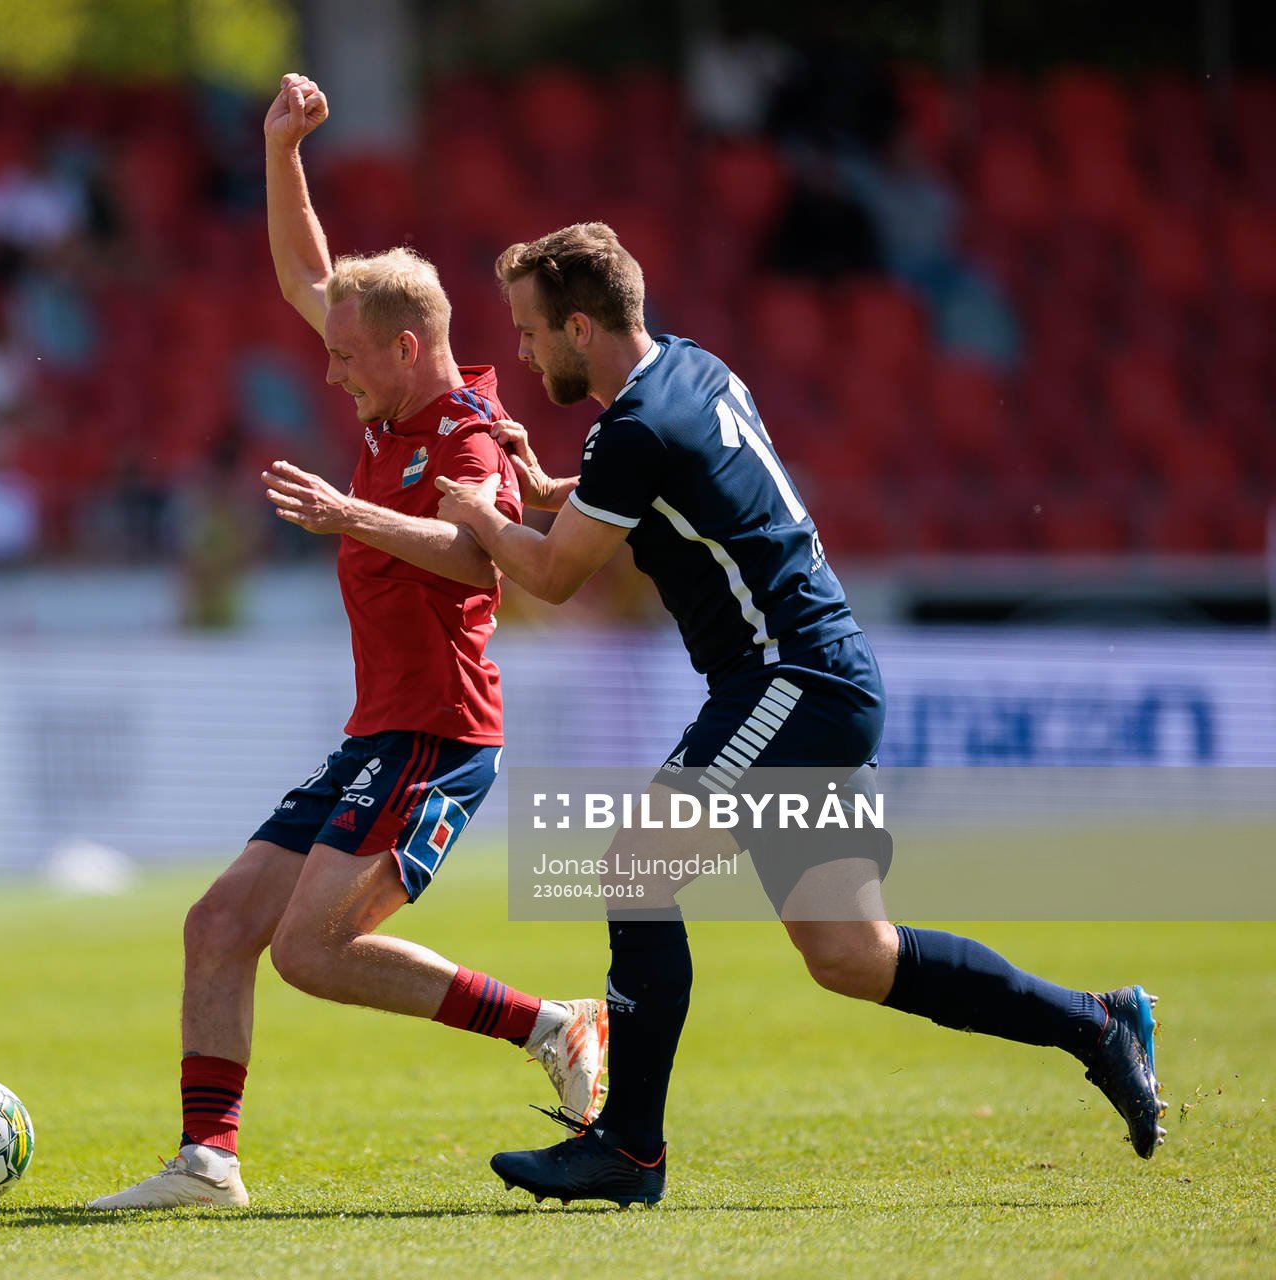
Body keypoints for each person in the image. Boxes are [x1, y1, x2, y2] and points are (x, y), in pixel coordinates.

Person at [431, 221, 1164, 1208]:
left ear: (576, 325)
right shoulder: (694, 369)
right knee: (852, 954)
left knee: (634, 865)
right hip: (829, 676)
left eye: (528, 332)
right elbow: (670, 494)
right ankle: (1100, 1022)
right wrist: (555, 488)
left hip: (788, 683)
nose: (521, 351)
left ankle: (628, 1147)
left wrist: (480, 515)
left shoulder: (634, 427)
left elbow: (557, 576)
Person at [85, 78, 608, 1212]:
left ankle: (559, 1025)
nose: (332, 371)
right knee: (218, 923)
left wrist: (354, 514)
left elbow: (486, 558)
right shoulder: (388, 408)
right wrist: (282, 153)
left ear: (410, 345)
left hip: (437, 730)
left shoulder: (463, 435)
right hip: (379, 729)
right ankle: (207, 1160)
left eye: (349, 357)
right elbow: (307, 275)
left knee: (311, 951)